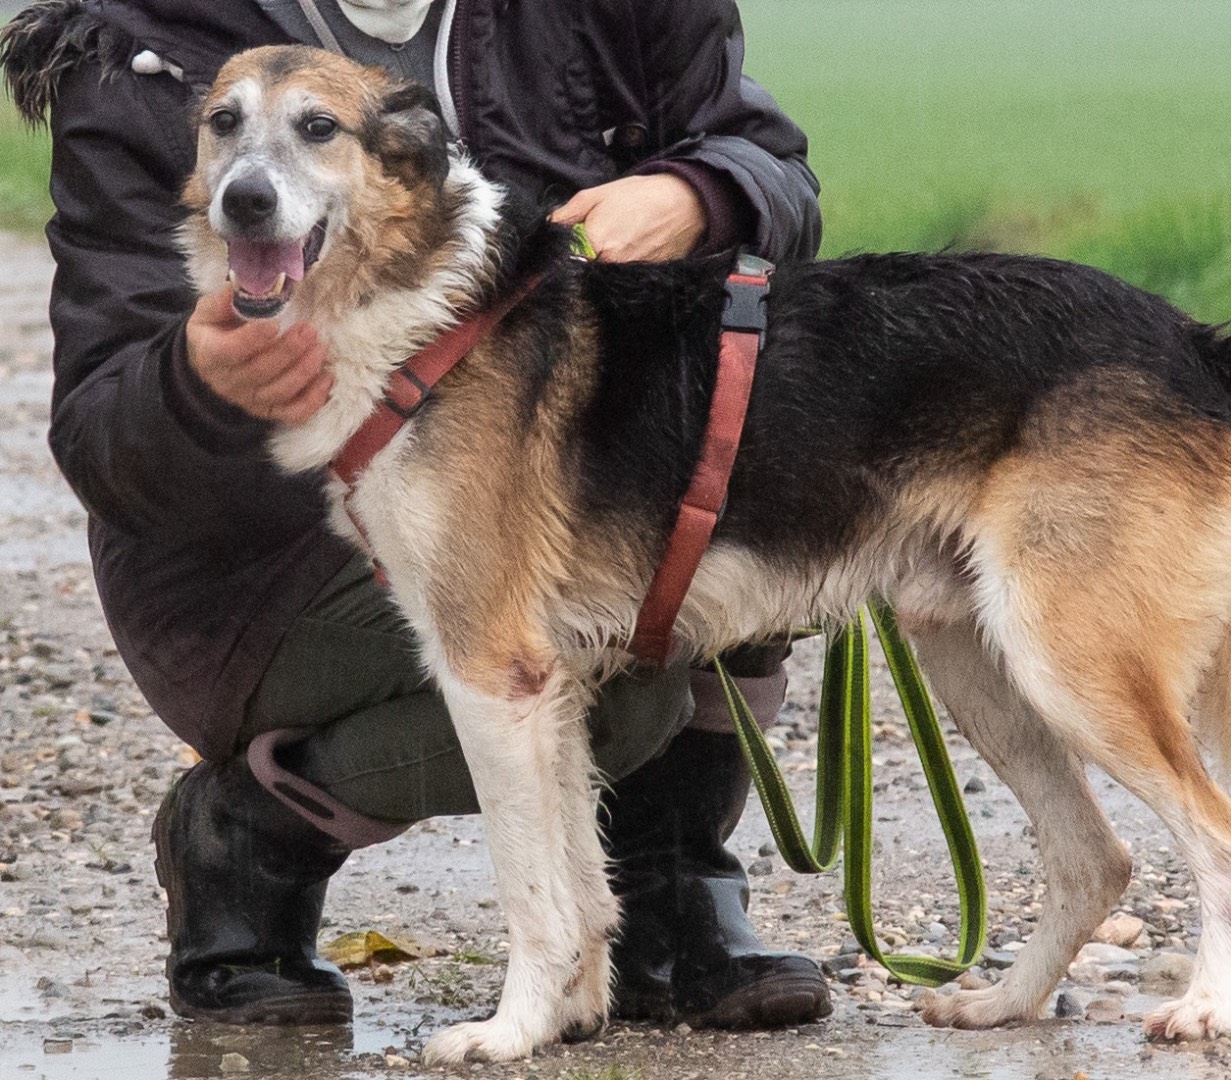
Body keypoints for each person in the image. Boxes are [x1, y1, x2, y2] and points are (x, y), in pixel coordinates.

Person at [0, 0, 828, 1033]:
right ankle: (252, 833)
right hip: (259, 568)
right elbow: (97, 443)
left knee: (772, 512)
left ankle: (672, 895)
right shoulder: (148, 44)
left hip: (562, 467)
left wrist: (697, 191)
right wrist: (197, 382)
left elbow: (773, 166)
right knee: (589, 686)